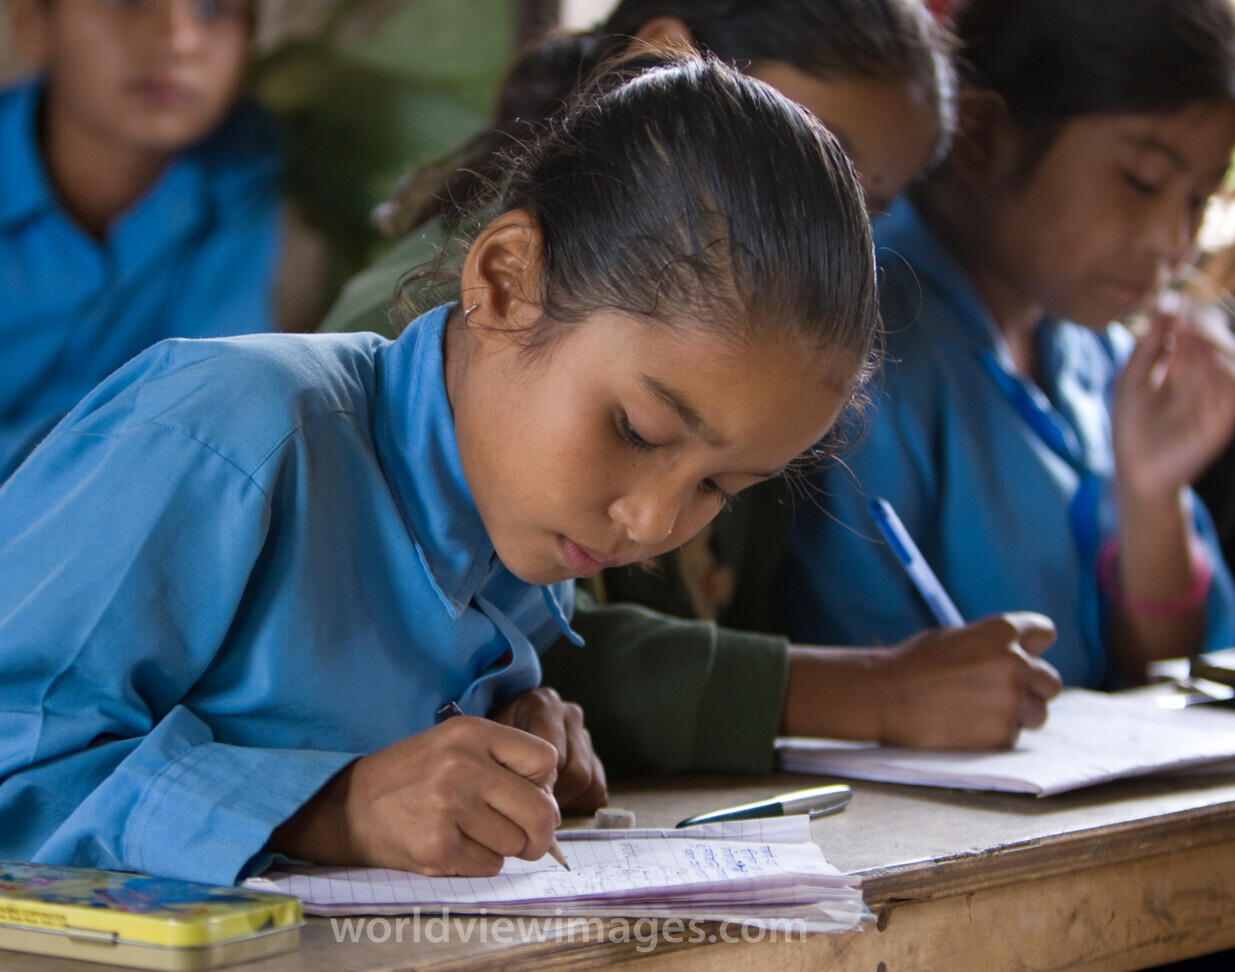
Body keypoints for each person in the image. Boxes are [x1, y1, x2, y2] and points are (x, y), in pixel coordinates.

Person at [0, 52, 879, 915]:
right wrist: (331, 806)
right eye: (639, 428)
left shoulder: (518, 541)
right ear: (505, 280)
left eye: (722, 489)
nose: (654, 519)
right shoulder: (234, 432)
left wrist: (514, 742)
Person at [324, 0, 1064, 770]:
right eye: (799, 151)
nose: (649, 520)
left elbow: (529, 653)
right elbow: (399, 639)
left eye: (864, 207)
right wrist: (875, 693)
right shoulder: (435, 338)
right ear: (664, 64)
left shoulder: (740, 391)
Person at [779, 0, 1235, 689]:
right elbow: (866, 673)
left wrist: (1152, 493)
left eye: (1200, 199)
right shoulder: (856, 341)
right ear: (983, 135)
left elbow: (1176, 676)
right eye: (1142, 181)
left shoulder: (1096, 352)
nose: (1173, 243)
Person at [0, 0, 282, 512]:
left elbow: (204, 402)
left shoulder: (243, 176)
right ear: (33, 23)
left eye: (212, 8)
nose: (179, 40)